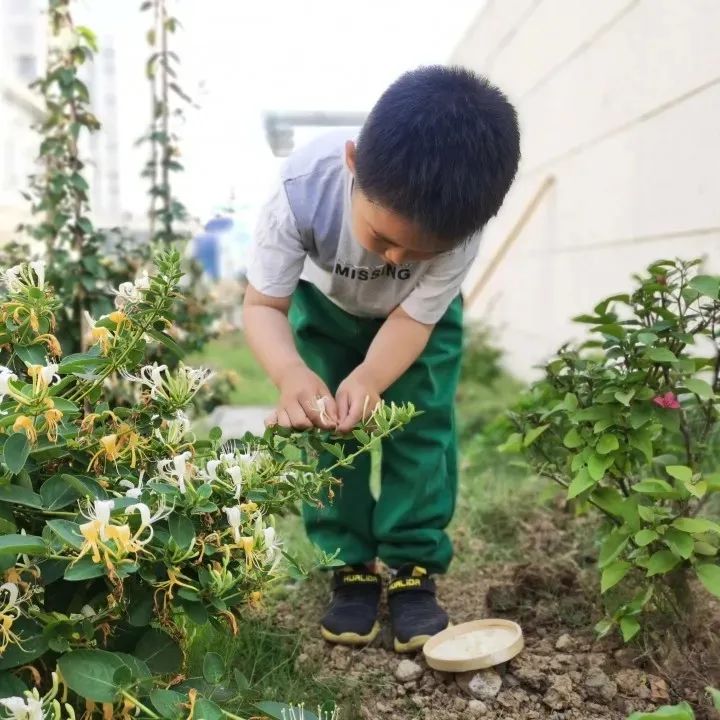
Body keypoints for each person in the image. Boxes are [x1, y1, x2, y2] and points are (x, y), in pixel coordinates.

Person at [243, 66, 520, 652]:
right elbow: (265, 304)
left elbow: (414, 318)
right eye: (382, 236)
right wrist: (292, 372)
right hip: (325, 309)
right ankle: (348, 563)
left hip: (418, 325)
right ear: (351, 161)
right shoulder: (299, 191)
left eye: (420, 252)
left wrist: (372, 374)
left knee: (419, 432)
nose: (397, 259)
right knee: (330, 429)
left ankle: (414, 566)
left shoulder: (460, 226)